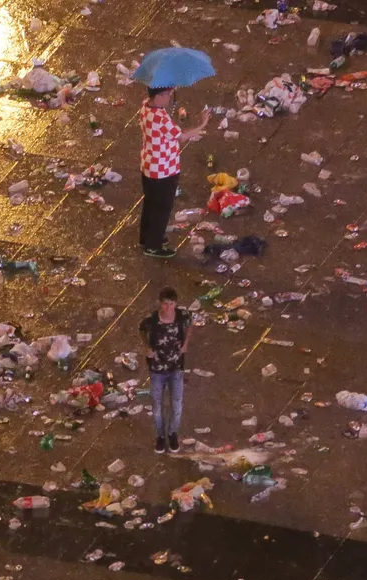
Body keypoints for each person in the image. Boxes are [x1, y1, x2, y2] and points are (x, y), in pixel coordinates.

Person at [138, 88, 209, 258]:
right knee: (162, 208)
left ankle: (146, 237)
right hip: (164, 169)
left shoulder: (145, 107)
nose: (170, 97)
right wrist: (202, 124)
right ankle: (153, 246)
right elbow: (181, 137)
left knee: (150, 204)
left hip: (148, 165)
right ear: (158, 96)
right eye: (167, 94)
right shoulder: (161, 118)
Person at [139, 287, 190, 453]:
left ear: (175, 304)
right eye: (165, 304)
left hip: (176, 368)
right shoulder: (152, 320)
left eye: (171, 304)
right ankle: (160, 436)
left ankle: (172, 433)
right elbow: (142, 330)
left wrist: (186, 343)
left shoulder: (182, 316)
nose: (168, 308)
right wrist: (147, 347)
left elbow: (190, 325)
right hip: (157, 370)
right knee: (157, 407)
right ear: (160, 304)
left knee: (177, 405)